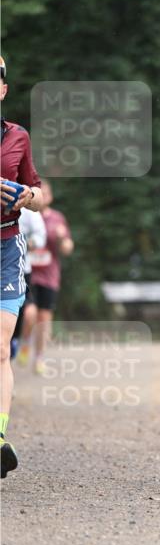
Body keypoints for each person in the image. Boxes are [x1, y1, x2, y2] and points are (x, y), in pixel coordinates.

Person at [0, 55, 44, 478]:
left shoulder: (18, 137)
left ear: (3, 89)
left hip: (6, 249)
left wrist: (27, 197)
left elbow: (38, 190)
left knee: (0, 347)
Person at [16, 179, 74, 375]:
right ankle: (24, 343)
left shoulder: (57, 219)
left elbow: (67, 247)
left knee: (44, 318)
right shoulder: (22, 214)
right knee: (28, 314)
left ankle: (39, 357)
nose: (43, 197)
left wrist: (61, 238)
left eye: (46, 193)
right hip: (26, 272)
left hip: (48, 275)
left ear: (50, 196)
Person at [11, 207, 47, 359]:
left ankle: (21, 341)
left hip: (21, 270)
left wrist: (25, 243)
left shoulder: (28, 209)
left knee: (29, 313)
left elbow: (40, 237)